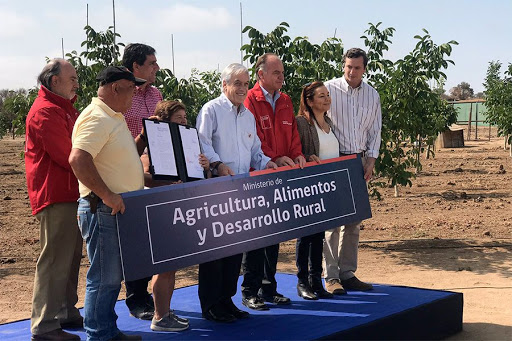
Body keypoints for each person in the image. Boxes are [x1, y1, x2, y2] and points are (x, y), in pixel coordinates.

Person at [69, 66, 147, 341]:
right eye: (131, 88)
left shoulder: (114, 117)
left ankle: (106, 330)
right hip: (101, 209)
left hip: (110, 210)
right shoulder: (97, 116)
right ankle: (99, 334)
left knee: (111, 277)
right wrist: (107, 194)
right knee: (104, 277)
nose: (135, 94)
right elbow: (78, 158)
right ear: (115, 88)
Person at [196, 63, 277, 323]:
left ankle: (226, 300)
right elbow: (202, 143)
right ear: (225, 85)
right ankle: (210, 304)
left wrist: (267, 163)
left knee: (234, 251)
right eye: (237, 83)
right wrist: (218, 164)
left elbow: (255, 149)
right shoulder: (211, 110)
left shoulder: (248, 116)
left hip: (242, 189)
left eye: (245, 83)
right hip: (217, 190)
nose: (243, 88)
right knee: (215, 252)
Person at [241, 53, 306, 310]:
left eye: (282, 72)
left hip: (282, 175)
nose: (281, 76)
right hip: (259, 175)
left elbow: (292, 134)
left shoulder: (286, 100)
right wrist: (275, 158)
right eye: (276, 72)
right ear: (261, 75)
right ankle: (250, 290)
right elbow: (254, 138)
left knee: (275, 233)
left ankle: (269, 288)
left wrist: (296, 155)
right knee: (257, 235)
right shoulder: (250, 99)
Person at [25, 59, 83, 341]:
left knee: (70, 257)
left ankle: (65, 311)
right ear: (54, 81)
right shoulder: (46, 112)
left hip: (71, 193)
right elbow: (68, 155)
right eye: (71, 78)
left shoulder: (64, 110)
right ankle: (45, 324)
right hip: (56, 194)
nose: (76, 83)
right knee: (55, 258)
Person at [140, 100, 209, 332]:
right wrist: (166, 182)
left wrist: (204, 166)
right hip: (161, 209)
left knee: (172, 266)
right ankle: (160, 317)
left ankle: (166, 312)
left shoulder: (187, 145)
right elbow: (143, 176)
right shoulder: (154, 147)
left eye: (185, 117)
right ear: (165, 121)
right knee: (165, 266)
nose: (183, 121)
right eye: (178, 118)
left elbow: (200, 177)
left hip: (180, 208)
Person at [322, 48, 382, 294]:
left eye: (357, 67)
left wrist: (371, 158)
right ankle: (331, 275)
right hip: (334, 160)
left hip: (358, 160)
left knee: (354, 221)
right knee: (333, 221)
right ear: (343, 65)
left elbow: (375, 129)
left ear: (364, 68)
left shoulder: (372, 95)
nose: (351, 72)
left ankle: (347, 272)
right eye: (348, 66)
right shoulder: (329, 89)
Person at [121, 43, 162, 320]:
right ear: (135, 67)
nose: (157, 68)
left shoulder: (156, 93)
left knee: (152, 235)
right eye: (151, 63)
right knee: (135, 236)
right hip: (126, 170)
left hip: (153, 172)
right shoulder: (121, 92)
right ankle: (135, 296)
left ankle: (145, 291)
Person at [295, 81, 337, 300]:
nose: (326, 99)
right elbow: (297, 151)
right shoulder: (302, 123)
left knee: (319, 235)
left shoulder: (329, 122)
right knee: (306, 235)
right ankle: (302, 281)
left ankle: (315, 280)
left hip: (327, 187)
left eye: (327, 95)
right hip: (309, 187)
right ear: (309, 101)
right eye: (321, 96)